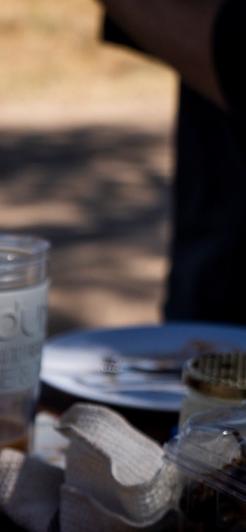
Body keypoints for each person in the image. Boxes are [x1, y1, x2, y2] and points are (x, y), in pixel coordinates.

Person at [100, 0, 246, 324]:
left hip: (222, 300)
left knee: (112, 366)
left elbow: (233, 52)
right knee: (115, 370)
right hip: (210, 278)